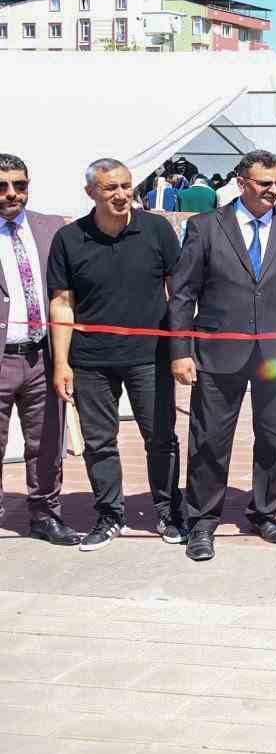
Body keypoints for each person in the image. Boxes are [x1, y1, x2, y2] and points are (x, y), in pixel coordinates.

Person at [167, 150, 276, 561]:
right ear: (241, 182)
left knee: (273, 437)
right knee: (209, 440)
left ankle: (264, 511)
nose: (273, 190)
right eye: (264, 183)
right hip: (217, 352)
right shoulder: (205, 227)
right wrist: (180, 351)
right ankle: (202, 521)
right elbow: (183, 294)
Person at [47, 158, 184, 550]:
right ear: (91, 192)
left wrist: (179, 349)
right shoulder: (69, 239)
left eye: (126, 186)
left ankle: (167, 511)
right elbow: (61, 302)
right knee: (99, 442)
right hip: (90, 360)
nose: (121, 195)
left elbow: (178, 294)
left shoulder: (157, 230)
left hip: (150, 356)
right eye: (110, 188)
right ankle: (110, 515)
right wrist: (61, 363)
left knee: (161, 438)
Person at [0, 154, 76, 545]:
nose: (12, 193)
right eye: (3, 186)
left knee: (47, 440)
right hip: (3, 356)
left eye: (20, 185)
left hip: (43, 356)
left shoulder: (50, 227)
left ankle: (45, 514)